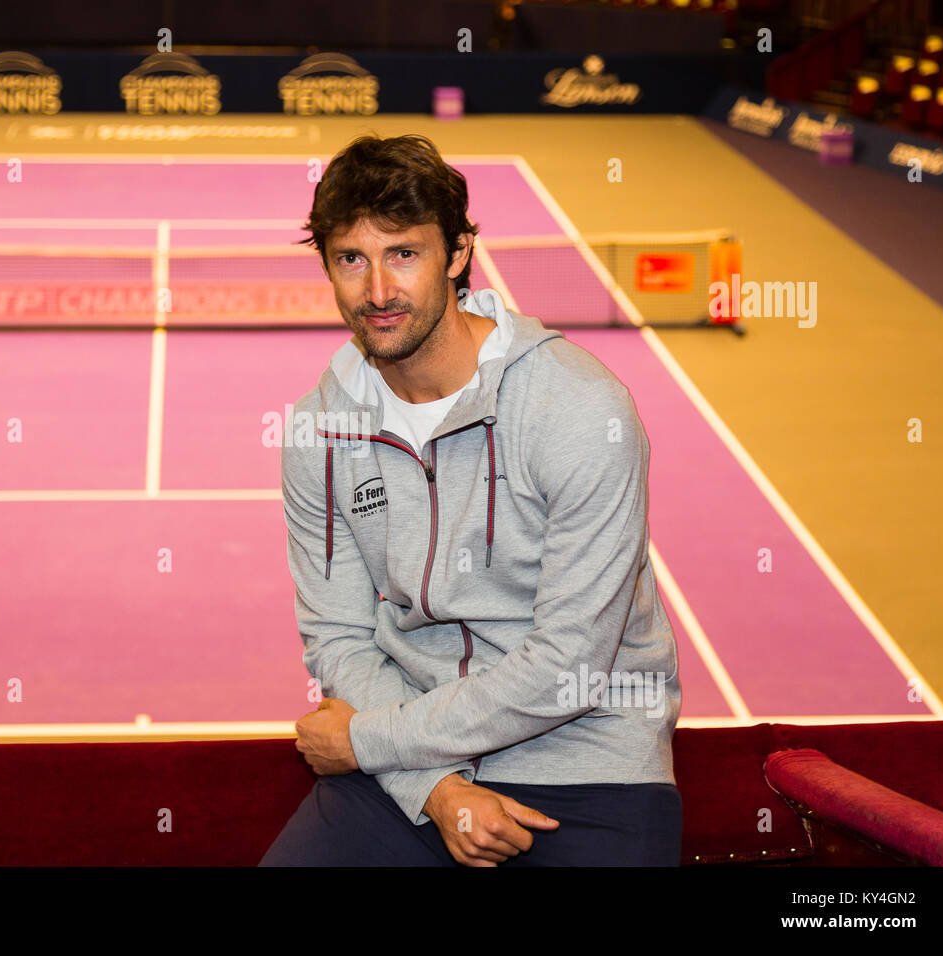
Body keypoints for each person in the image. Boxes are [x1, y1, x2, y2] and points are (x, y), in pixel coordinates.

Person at [258, 133, 683, 867]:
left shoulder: (579, 409)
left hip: (585, 761)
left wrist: (365, 741)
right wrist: (435, 789)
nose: (378, 292)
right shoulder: (317, 429)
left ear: (456, 256)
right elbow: (340, 637)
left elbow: (568, 665)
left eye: (404, 254)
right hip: (409, 774)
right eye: (350, 259)